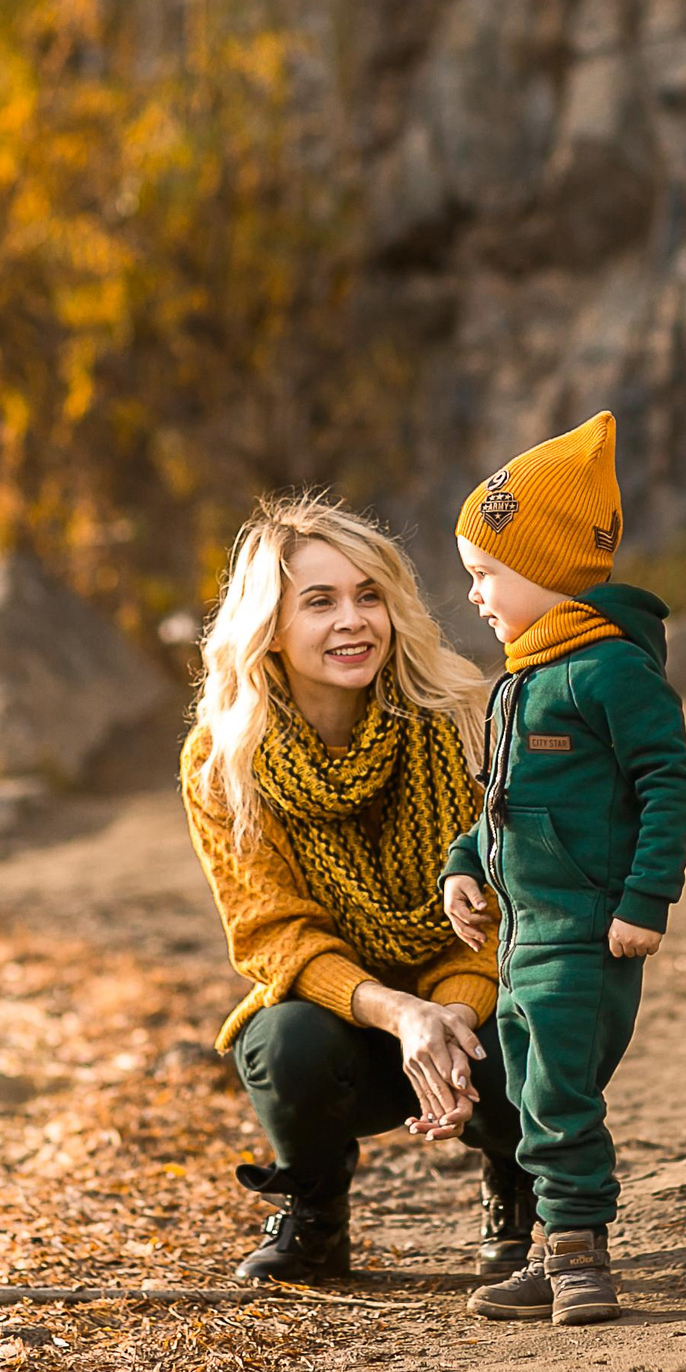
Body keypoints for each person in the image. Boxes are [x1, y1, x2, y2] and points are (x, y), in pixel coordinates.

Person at [182, 496, 532, 1283]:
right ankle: (314, 1213)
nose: (354, 621)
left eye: (368, 595)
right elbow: (276, 938)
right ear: (268, 627)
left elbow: (503, 910)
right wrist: (401, 1013)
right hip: (351, 1025)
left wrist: (448, 1016)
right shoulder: (223, 761)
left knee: (537, 1017)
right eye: (320, 601)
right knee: (281, 1044)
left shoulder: (460, 718)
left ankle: (515, 1182)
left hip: (469, 1012)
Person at [440, 411, 686, 1325]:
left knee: (555, 1093)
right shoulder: (521, 676)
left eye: (486, 576)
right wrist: (463, 866)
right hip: (521, 935)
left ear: (547, 570)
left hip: (588, 934)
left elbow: (670, 785)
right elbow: (500, 801)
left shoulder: (608, 673)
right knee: (526, 1091)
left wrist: (645, 901)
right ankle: (556, 1251)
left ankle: (581, 1256)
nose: (474, 595)